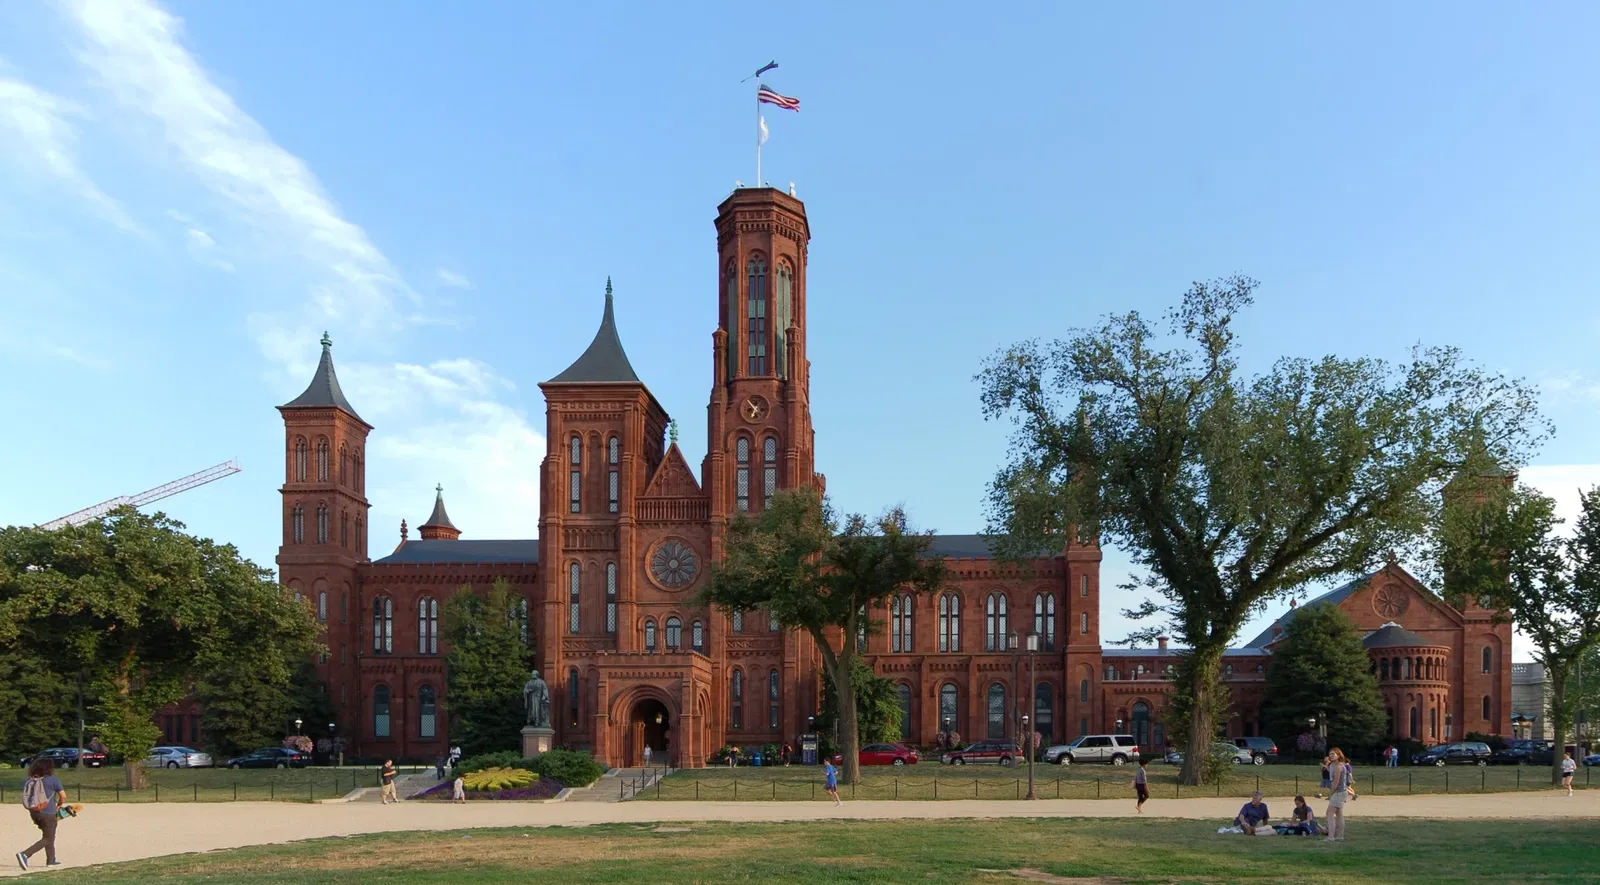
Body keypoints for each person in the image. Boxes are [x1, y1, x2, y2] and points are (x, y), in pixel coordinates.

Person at [16, 757, 66, 870]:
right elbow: (63, 796)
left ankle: (51, 860)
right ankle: (25, 854)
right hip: (48, 813)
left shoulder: (29, 780)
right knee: (48, 838)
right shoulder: (53, 780)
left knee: (48, 836)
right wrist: (59, 805)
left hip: (34, 813)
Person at [1324, 748, 1351, 842]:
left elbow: (1335, 782)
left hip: (1338, 792)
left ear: (1338, 755)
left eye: (1333, 754)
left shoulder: (1338, 766)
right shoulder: (1334, 765)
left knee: (1329, 813)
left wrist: (1330, 793)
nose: (1331, 755)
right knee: (1339, 814)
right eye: (1330, 754)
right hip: (1342, 792)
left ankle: (1331, 836)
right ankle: (1340, 836)